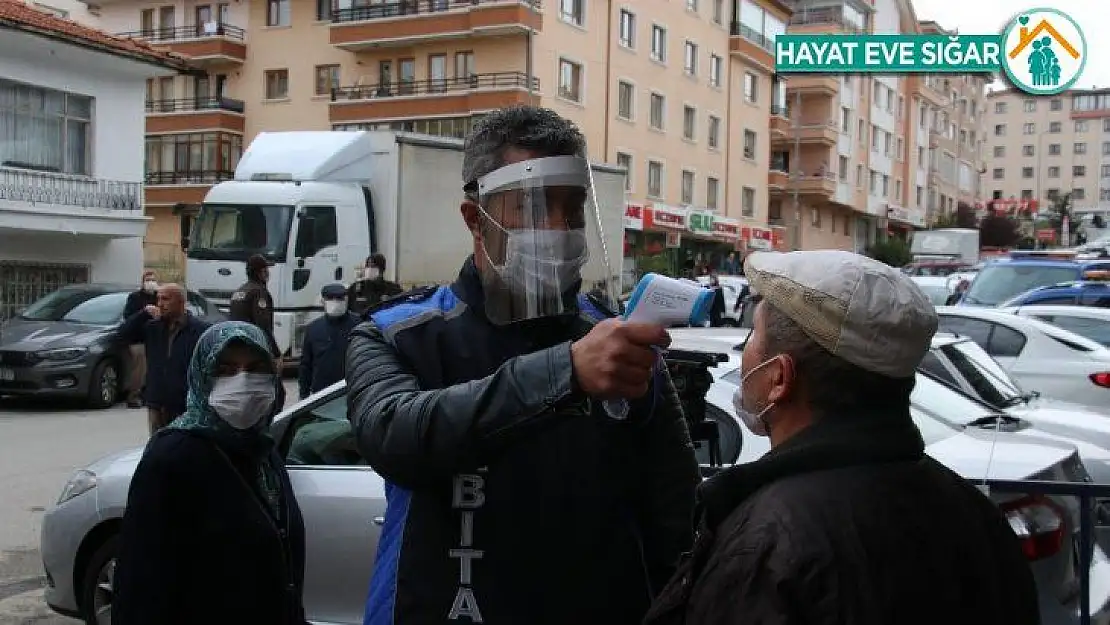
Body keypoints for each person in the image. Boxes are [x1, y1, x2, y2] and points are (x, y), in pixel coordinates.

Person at [346, 105, 700, 625]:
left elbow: (675, 511)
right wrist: (567, 375)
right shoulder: (399, 335)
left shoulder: (612, 338)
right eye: (534, 207)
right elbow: (395, 436)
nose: (559, 228)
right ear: (474, 218)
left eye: (573, 208)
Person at [644, 250, 1038, 625]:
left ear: (778, 378)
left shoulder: (769, 543)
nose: (746, 350)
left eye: (753, 337)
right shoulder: (975, 512)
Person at [112, 321, 308, 625]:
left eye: (256, 368)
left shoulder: (263, 454)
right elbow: (141, 589)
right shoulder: (173, 458)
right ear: (202, 376)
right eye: (226, 370)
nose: (243, 382)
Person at [115, 284, 208, 434]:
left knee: (183, 448)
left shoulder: (199, 330)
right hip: (157, 402)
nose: (160, 304)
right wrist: (143, 313)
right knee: (158, 449)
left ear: (181, 302)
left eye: (165, 299)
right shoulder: (153, 328)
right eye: (158, 299)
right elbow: (122, 335)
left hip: (185, 404)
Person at [230, 254, 285, 407]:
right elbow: (263, 325)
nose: (268, 273)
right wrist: (276, 354)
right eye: (266, 269)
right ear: (261, 272)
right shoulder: (259, 292)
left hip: (238, 350)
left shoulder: (239, 292)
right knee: (275, 396)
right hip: (256, 351)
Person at [299, 283, 359, 400]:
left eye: (339, 298)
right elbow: (306, 365)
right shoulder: (314, 329)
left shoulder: (359, 326)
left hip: (352, 391)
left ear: (346, 300)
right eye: (330, 299)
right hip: (322, 395)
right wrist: (303, 395)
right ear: (323, 301)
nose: (335, 302)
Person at [121, 271, 159, 409]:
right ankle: (133, 396)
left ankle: (149, 395)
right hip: (138, 339)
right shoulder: (135, 298)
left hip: (156, 340)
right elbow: (129, 318)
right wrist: (144, 312)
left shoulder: (159, 297)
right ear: (142, 282)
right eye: (148, 280)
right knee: (139, 369)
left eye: (153, 279)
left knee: (154, 369)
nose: (151, 282)